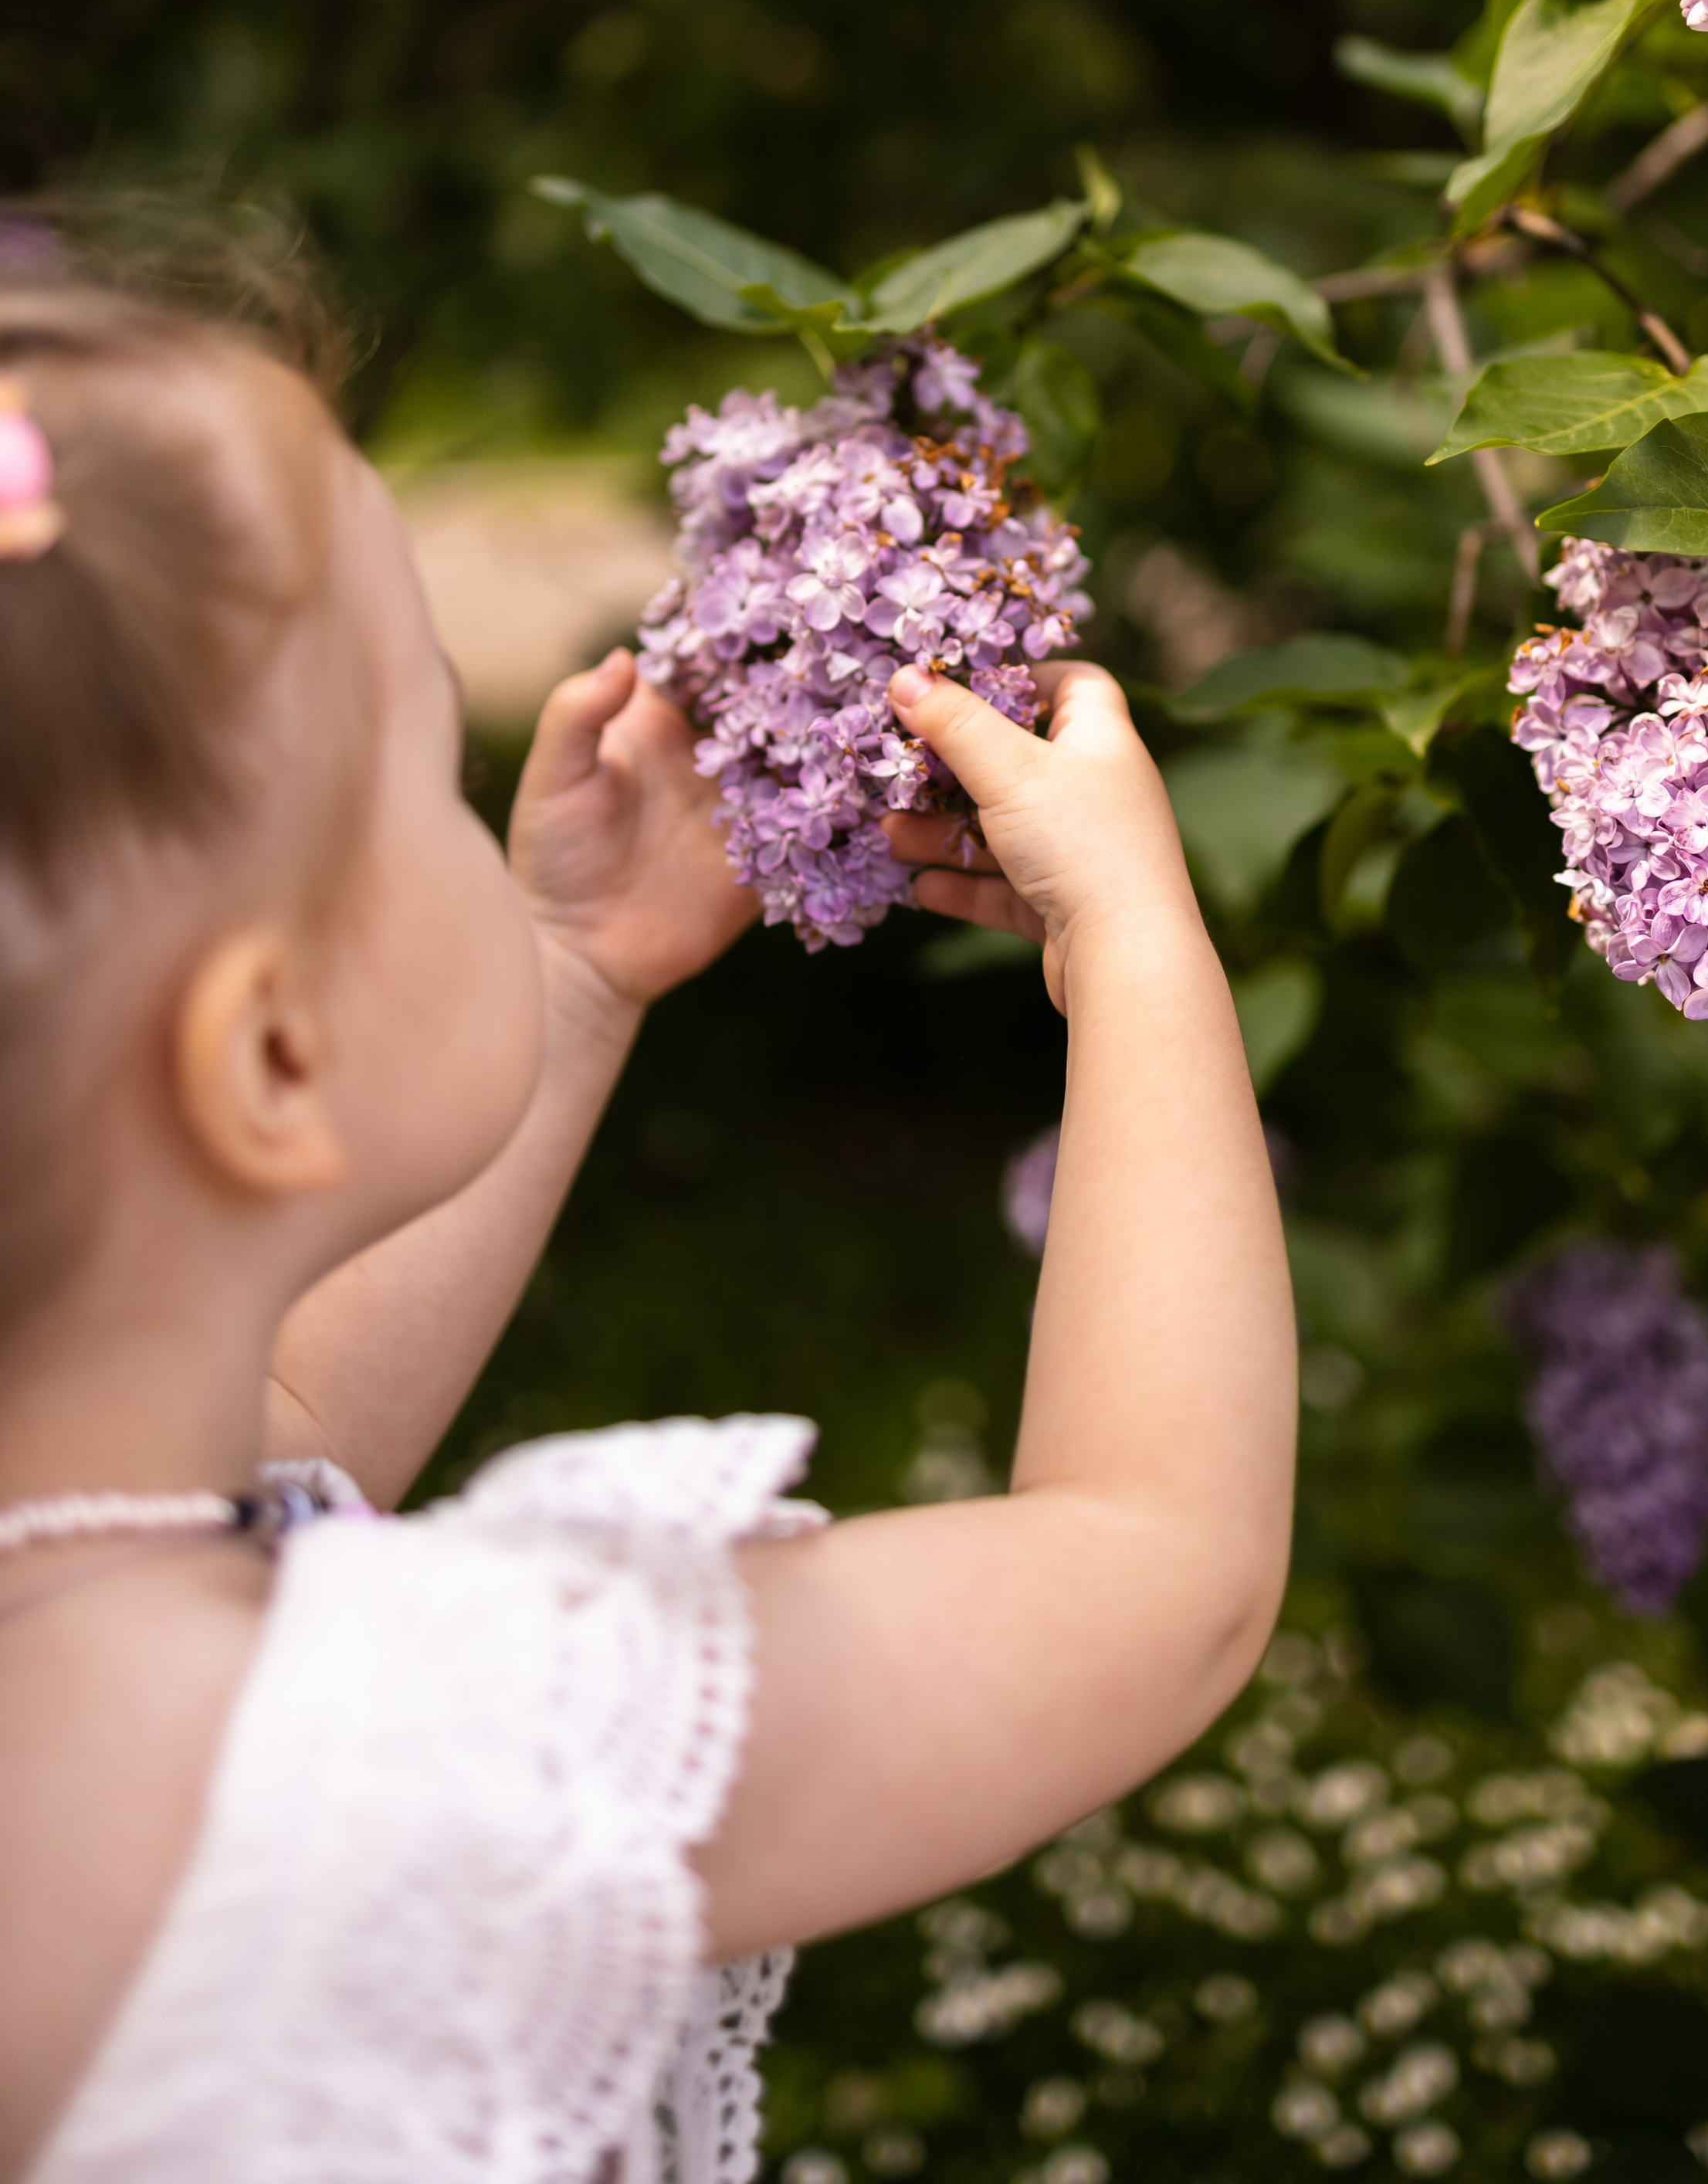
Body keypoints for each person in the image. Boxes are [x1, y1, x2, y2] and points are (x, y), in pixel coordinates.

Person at [0, 278, 1298, 2184]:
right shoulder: (411, 1763)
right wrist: (1138, 952)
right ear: (269, 1052)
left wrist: (569, 969)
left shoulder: (70, 1568)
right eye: (428, 770)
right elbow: (1158, 1571)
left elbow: (287, 1435)